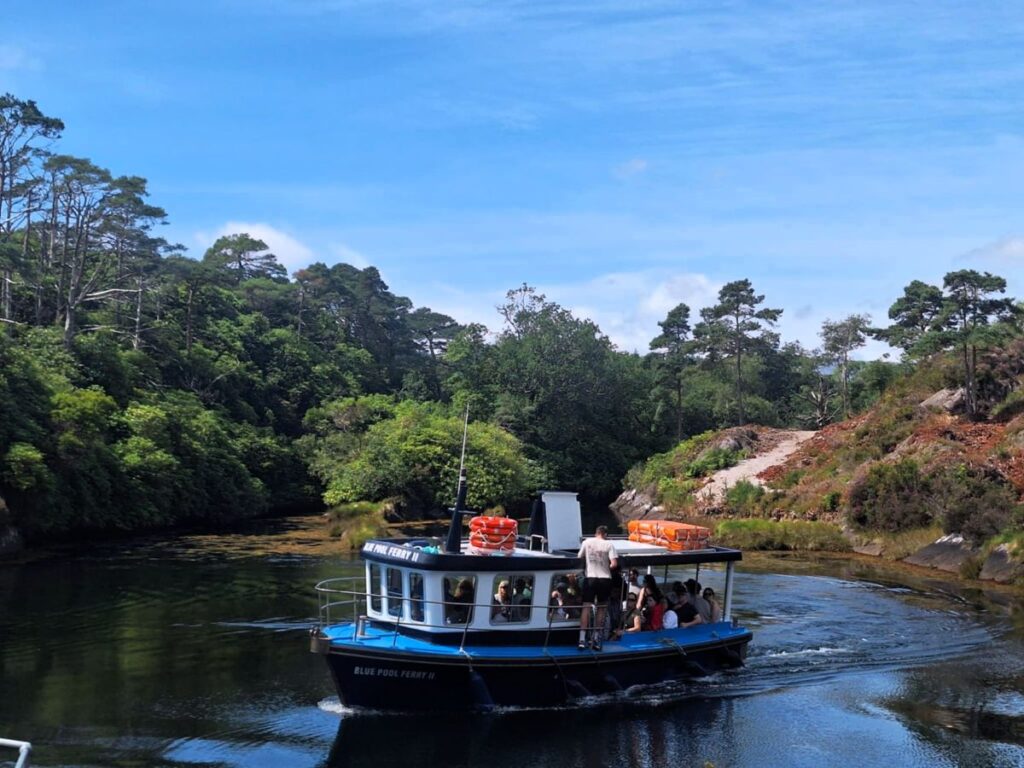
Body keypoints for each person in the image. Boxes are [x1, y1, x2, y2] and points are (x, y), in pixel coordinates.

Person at [576, 525, 618, 651]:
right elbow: (614, 564)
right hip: (605, 578)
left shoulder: (586, 542)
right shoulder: (609, 545)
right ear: (605, 534)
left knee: (586, 607)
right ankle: (595, 639)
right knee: (601, 609)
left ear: (596, 533)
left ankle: (582, 639)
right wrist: (605, 567)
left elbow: (579, 558)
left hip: (590, 577)